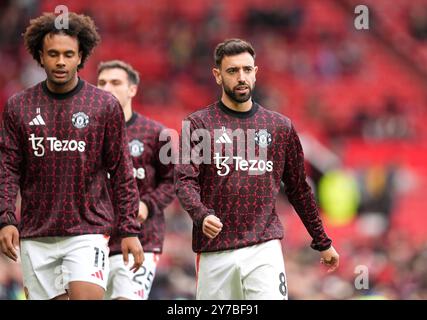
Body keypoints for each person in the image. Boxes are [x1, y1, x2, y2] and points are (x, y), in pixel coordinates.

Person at [175, 38, 339, 300]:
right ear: (217, 75)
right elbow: (184, 181)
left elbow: (299, 189)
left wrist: (322, 241)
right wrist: (201, 214)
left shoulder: (279, 127)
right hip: (214, 251)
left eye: (247, 70)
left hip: (264, 247)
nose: (241, 77)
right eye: (232, 71)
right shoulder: (198, 124)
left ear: (255, 72)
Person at [0, 13, 144, 300]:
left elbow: (121, 171)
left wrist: (129, 230)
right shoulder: (19, 106)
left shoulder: (104, 105)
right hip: (36, 233)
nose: (61, 62)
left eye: (69, 54)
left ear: (81, 56)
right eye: (53, 54)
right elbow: (7, 169)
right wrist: (5, 219)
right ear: (40, 56)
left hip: (87, 230)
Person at [97, 60, 175, 300]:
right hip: (93, 238)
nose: (107, 87)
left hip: (142, 238)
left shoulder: (157, 134)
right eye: (101, 83)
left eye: (115, 82)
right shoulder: (87, 132)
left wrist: (147, 204)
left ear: (132, 89)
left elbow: (173, 181)